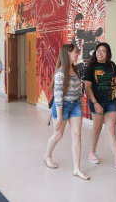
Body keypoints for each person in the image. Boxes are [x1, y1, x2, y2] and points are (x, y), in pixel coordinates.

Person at [43, 44, 90, 180]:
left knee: (77, 135)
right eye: (75, 52)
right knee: (58, 135)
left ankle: (77, 169)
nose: (77, 54)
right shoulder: (60, 72)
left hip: (75, 106)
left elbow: (79, 91)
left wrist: (80, 106)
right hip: (61, 106)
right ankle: (47, 155)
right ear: (68, 53)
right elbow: (58, 95)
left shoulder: (75, 70)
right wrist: (58, 117)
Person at [83, 42, 116, 169]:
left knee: (111, 130)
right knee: (97, 129)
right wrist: (95, 103)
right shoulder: (90, 67)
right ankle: (92, 153)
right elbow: (87, 87)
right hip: (97, 102)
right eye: (98, 50)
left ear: (107, 54)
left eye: (103, 51)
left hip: (111, 102)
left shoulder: (111, 66)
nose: (99, 53)